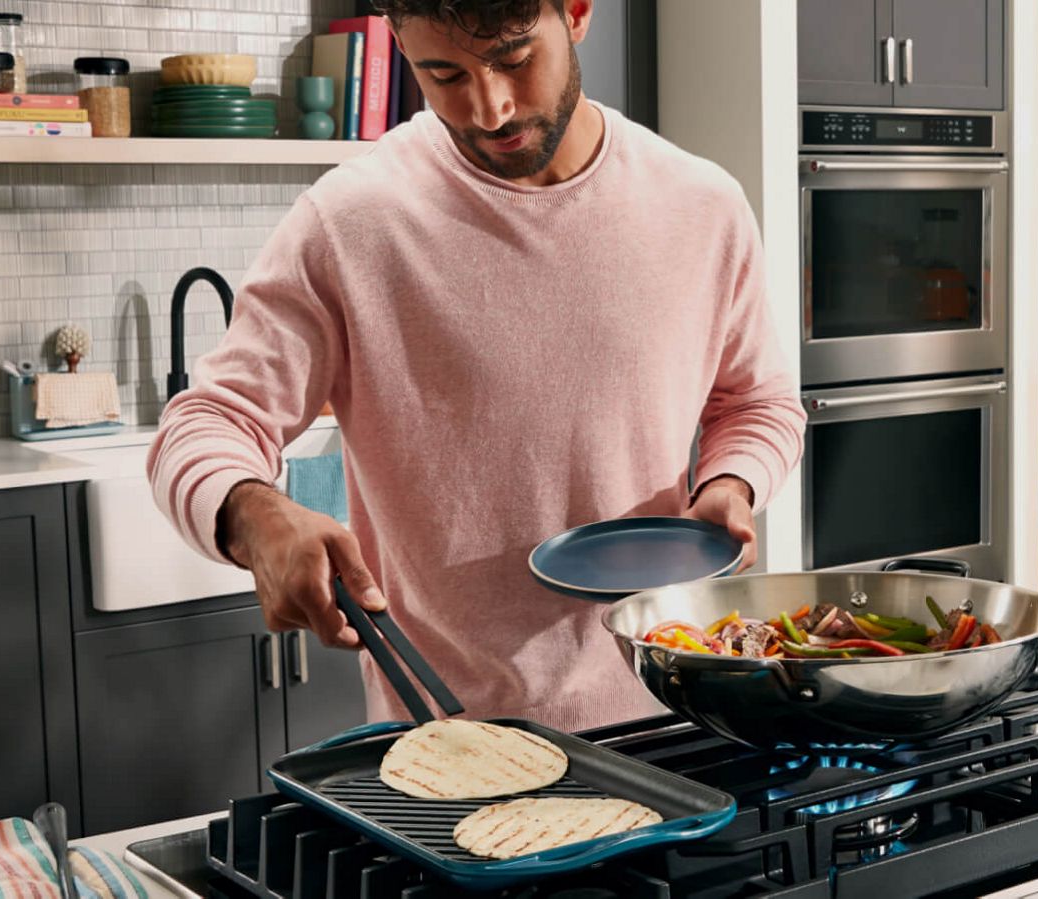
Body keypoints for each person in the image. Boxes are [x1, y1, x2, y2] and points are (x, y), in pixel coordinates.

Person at [148, 0, 803, 730]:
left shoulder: (700, 205)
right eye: (443, 72)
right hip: (452, 746)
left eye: (515, 59)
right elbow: (207, 421)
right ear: (399, 44)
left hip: (677, 712)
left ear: (578, 12)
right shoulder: (353, 221)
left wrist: (730, 482)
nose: (489, 108)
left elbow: (758, 402)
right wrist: (254, 512)